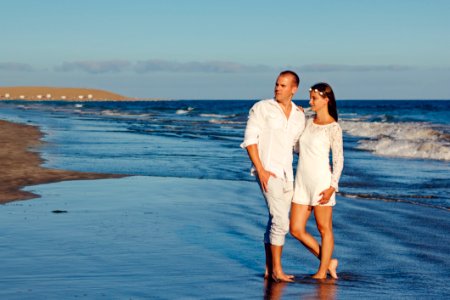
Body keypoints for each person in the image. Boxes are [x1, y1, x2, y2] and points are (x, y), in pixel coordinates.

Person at [241, 70, 306, 282]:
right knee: (281, 221)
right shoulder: (262, 108)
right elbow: (250, 140)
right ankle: (278, 270)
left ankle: (269, 269)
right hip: (268, 171)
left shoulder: (299, 114)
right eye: (277, 84)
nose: (277, 88)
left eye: (283, 85)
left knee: (274, 221)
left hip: (288, 175)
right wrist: (260, 170)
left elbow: (297, 146)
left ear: (294, 89)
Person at [290, 82, 343, 279]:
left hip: (322, 182)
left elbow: (338, 159)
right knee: (295, 229)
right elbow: (297, 149)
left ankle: (322, 272)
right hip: (302, 181)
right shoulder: (307, 122)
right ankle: (329, 262)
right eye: (310, 97)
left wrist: (332, 187)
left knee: (324, 228)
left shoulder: (333, 128)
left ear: (326, 100)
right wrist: (298, 119)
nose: (310, 101)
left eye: (314, 98)